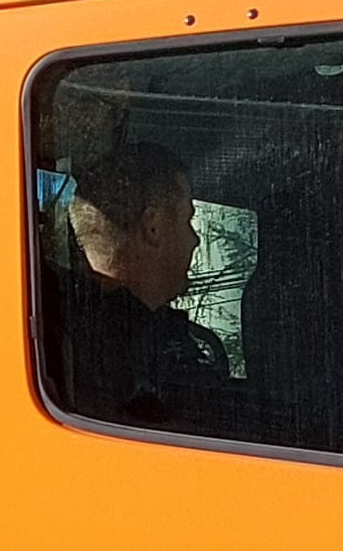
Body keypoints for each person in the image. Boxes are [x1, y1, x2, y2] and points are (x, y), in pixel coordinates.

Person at [44, 140, 245, 436]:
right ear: (152, 227)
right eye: (188, 221)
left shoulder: (77, 326)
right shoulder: (121, 361)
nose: (195, 240)